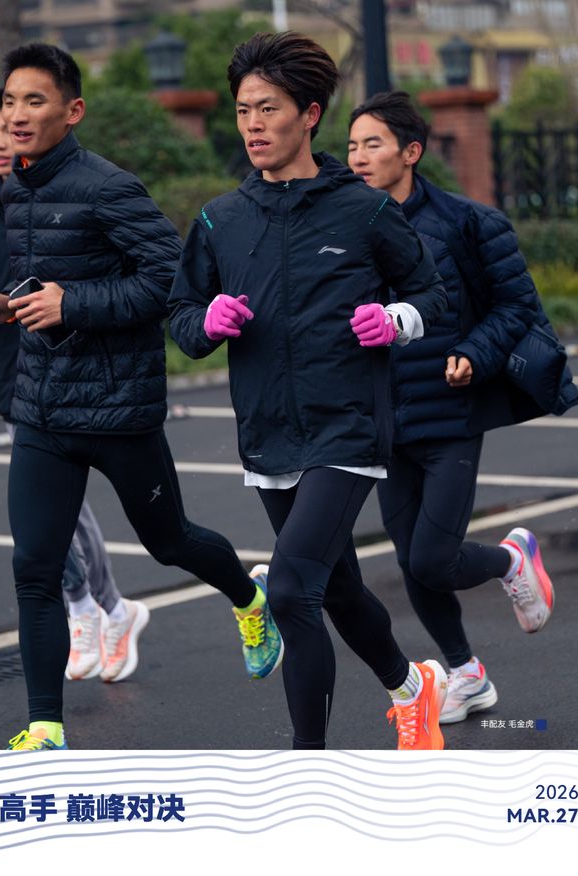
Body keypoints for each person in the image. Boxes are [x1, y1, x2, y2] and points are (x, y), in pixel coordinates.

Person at [0, 44, 282, 751]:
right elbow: (51, 278)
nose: (17, 115)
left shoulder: (109, 187)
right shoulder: (17, 188)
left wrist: (71, 304)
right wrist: (12, 305)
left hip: (117, 409)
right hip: (42, 408)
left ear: (73, 111)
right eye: (10, 101)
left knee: (170, 542)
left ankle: (249, 597)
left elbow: (169, 283)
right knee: (35, 569)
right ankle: (46, 727)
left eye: (35, 101)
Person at [169, 32, 451, 750]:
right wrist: (206, 320)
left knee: (293, 591)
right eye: (243, 110)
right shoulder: (221, 219)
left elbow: (431, 293)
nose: (253, 125)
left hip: (347, 426)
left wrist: (394, 320)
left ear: (310, 114)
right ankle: (412, 688)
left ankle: (307, 771)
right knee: (340, 587)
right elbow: (180, 314)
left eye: (268, 108)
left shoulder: (363, 210)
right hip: (268, 431)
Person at [347, 91, 559, 724]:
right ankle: (467, 675)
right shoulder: (345, 226)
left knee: (432, 558)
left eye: (373, 144)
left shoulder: (468, 222)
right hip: (384, 418)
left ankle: (511, 560)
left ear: (411, 152)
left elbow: (517, 306)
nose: (358, 157)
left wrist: (473, 350)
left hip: (450, 413)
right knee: (411, 561)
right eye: (352, 145)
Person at [0, 89, 147, 687]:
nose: (1, 141)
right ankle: (101, 609)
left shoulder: (68, 197)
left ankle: (97, 609)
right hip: (14, 384)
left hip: (75, 378)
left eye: (10, 128)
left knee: (66, 515)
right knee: (56, 518)